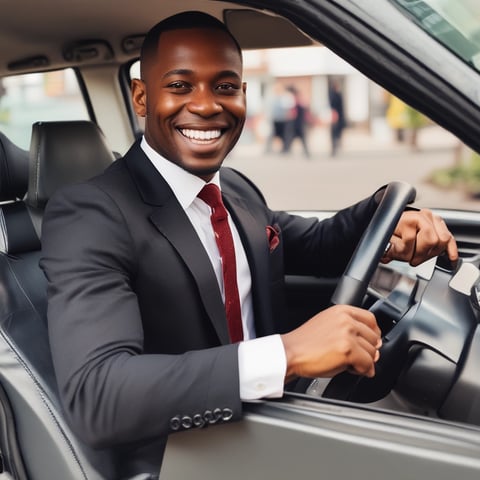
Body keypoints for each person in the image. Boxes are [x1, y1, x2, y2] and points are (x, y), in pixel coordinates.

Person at [40, 11, 458, 478]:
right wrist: (288, 353)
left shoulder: (234, 189)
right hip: (188, 455)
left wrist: (386, 218)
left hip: (280, 419)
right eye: (180, 86)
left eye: (225, 86)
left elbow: (314, 245)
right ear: (141, 97)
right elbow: (98, 395)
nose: (205, 105)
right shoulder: (90, 213)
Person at [265, 81, 296, 153]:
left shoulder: (286, 96)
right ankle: (268, 149)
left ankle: (285, 149)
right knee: (272, 134)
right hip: (275, 119)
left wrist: (288, 117)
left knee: (285, 135)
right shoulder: (272, 97)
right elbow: (269, 108)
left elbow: (289, 108)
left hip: (285, 120)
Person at [283, 85, 311, 158]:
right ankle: (287, 151)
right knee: (291, 139)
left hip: (298, 124)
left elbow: (293, 114)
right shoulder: (295, 102)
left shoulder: (298, 103)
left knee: (299, 139)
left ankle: (288, 151)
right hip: (296, 124)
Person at [328, 79, 346, 156]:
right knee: (335, 133)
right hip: (336, 116)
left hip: (337, 116)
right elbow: (334, 107)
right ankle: (334, 148)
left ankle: (335, 148)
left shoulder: (334, 95)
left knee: (335, 133)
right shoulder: (335, 95)